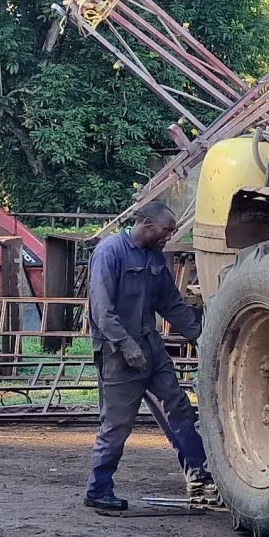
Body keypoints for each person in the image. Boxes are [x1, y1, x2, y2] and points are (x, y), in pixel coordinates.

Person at [83, 201, 213, 511]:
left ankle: (201, 478)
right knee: (117, 425)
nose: (169, 237)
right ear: (146, 224)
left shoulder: (155, 257)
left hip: (151, 350)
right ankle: (98, 489)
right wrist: (127, 346)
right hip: (118, 354)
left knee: (179, 409)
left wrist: (201, 337)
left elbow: (171, 303)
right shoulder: (109, 252)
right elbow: (101, 310)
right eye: (166, 231)